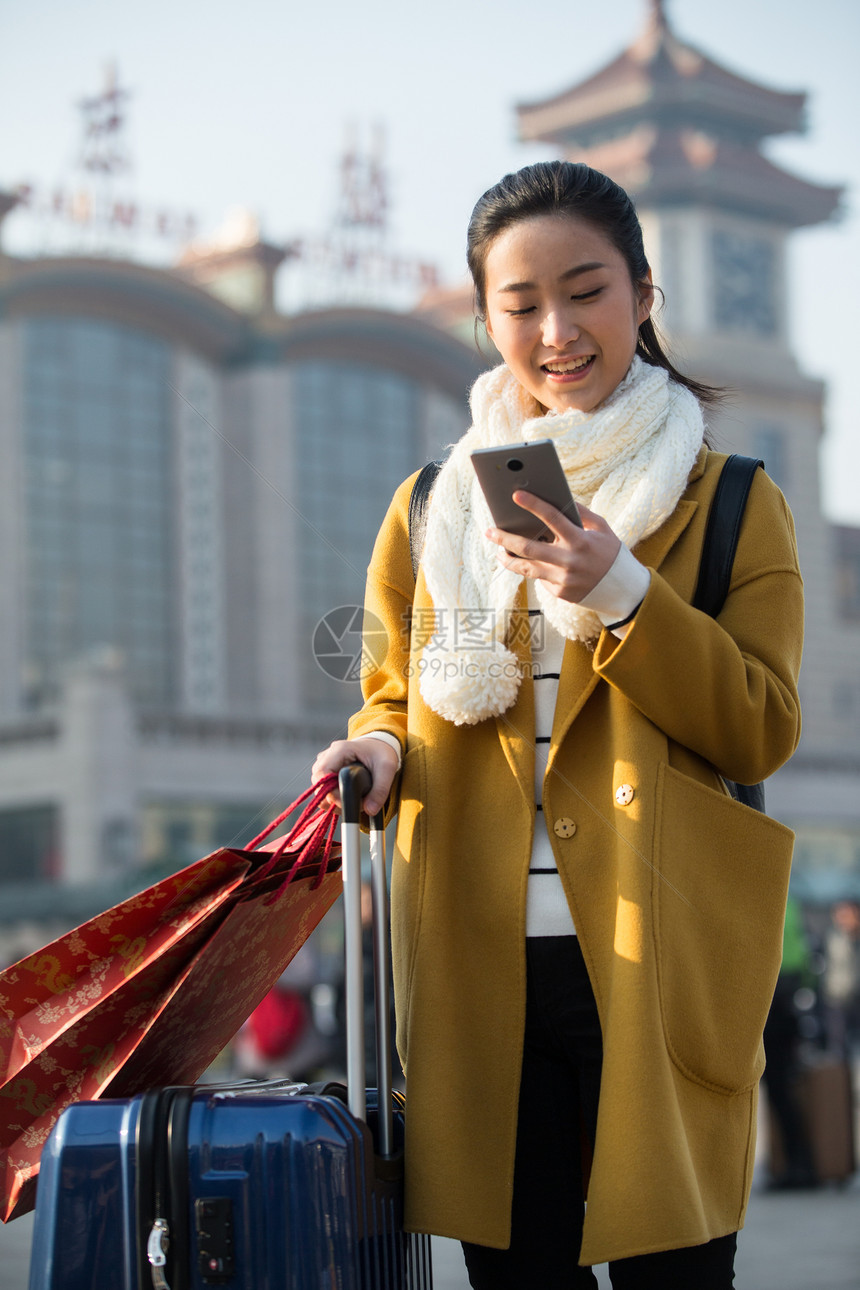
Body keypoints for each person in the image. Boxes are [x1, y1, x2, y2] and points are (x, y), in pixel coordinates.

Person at [313, 161, 803, 1288]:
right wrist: (379, 745)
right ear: (484, 320)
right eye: (519, 304)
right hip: (475, 954)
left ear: (642, 294)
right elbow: (394, 689)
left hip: (656, 953)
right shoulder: (433, 503)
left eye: (584, 291)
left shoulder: (728, 500)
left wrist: (621, 591)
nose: (555, 330)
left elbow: (759, 726)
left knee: (676, 1271)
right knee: (514, 1274)